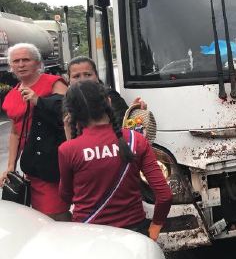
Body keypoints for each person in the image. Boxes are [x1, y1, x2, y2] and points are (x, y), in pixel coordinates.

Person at [58, 80, 172, 240]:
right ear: (109, 101)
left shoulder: (68, 150)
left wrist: (68, 136)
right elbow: (165, 195)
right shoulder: (136, 140)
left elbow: (65, 196)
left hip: (89, 234)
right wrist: (155, 226)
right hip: (134, 232)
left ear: (71, 114)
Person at [1, 43, 70, 220]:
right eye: (16, 61)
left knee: (54, 213)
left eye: (26, 60)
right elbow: (15, 133)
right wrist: (10, 167)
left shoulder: (53, 84)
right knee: (37, 215)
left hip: (53, 161)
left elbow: (70, 115)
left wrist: (38, 100)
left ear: (38, 63)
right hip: (32, 164)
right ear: (11, 66)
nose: (21, 64)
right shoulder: (12, 95)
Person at [66, 56, 146, 127]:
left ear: (97, 76)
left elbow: (121, 124)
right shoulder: (65, 102)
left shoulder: (110, 95)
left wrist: (132, 112)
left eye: (87, 75)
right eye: (76, 76)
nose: (83, 80)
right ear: (68, 80)